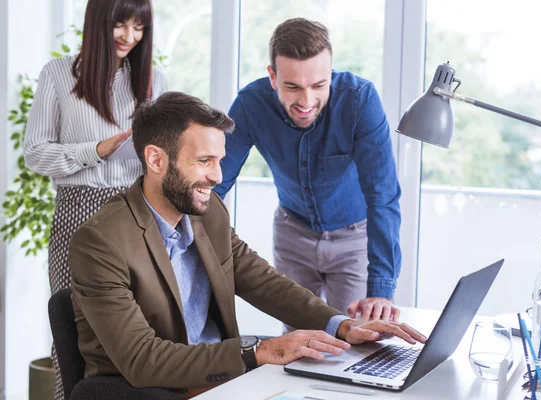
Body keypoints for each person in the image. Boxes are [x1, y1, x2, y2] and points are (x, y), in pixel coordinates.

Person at [68, 92, 426, 395]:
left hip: (223, 378)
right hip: (153, 389)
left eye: (220, 160)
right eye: (204, 161)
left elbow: (264, 283)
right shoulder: (101, 242)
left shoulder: (208, 213)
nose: (218, 176)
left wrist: (340, 325)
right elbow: (142, 361)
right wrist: (259, 349)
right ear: (155, 159)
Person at [214, 18, 402, 322]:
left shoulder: (360, 100)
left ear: (330, 73)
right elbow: (216, 180)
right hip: (292, 235)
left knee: (356, 339)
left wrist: (381, 287)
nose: (307, 101)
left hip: (355, 239)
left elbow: (382, 194)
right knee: (298, 342)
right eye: (292, 87)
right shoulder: (251, 103)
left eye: (319, 85)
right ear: (272, 77)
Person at [23, 0, 167, 398]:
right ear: (97, 21)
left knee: (141, 327)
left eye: (139, 28)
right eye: (120, 25)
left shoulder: (156, 79)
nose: (129, 37)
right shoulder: (58, 74)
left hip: (138, 211)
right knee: (72, 326)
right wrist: (97, 150)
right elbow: (35, 153)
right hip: (77, 209)